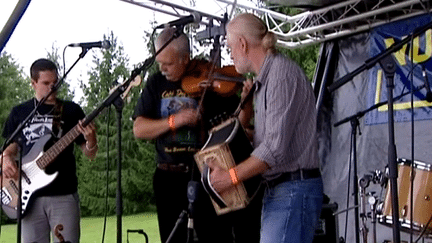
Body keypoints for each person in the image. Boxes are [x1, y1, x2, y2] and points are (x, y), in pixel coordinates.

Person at [132, 27, 262, 243]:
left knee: (215, 237)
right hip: (168, 178)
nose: (162, 68)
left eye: (169, 63)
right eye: (160, 62)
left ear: (185, 58)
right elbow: (139, 128)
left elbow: (238, 125)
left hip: (207, 176)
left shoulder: (211, 81)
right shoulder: (156, 83)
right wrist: (175, 120)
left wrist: (246, 104)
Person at [208, 13, 324, 243]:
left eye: (231, 48)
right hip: (285, 190)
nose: (230, 55)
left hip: (292, 189)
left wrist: (229, 177)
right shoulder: (267, 79)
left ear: (242, 43)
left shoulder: (280, 75)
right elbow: (272, 138)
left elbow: (273, 150)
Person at [1, 58, 98, 243]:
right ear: (33, 83)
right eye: (46, 83)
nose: (52, 88)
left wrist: (91, 138)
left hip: (63, 194)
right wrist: (5, 159)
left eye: (55, 83)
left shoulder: (71, 110)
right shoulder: (20, 112)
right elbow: (9, 150)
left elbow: (90, 153)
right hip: (28, 197)